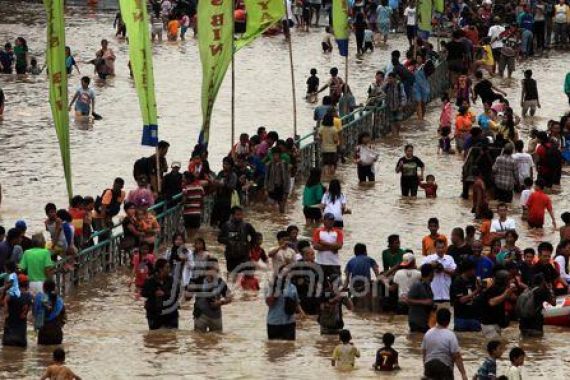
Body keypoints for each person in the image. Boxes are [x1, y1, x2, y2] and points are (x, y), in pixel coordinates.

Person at [422, 308, 469, 380]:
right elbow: (456, 356)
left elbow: (424, 353)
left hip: (429, 366)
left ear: (436, 319)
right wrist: (463, 374)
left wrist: (425, 368)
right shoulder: (450, 335)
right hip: (444, 367)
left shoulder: (428, 333)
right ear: (449, 321)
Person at [194, 257, 232, 332]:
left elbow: (230, 298)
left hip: (216, 316)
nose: (218, 269)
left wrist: (220, 302)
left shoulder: (220, 282)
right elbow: (187, 297)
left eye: (217, 267)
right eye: (216, 267)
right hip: (200, 315)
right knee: (199, 340)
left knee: (216, 340)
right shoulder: (199, 280)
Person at [265, 266, 303, 340]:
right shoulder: (270, 286)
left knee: (290, 348)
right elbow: (269, 304)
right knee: (273, 348)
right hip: (274, 322)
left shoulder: (293, 287)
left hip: (289, 323)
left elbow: (297, 303)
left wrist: (303, 315)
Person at [141, 258, 180, 330]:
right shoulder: (150, 280)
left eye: (169, 267)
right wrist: (154, 293)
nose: (169, 269)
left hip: (171, 313)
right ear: (160, 269)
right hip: (154, 313)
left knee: (172, 337)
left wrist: (164, 293)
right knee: (155, 337)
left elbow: (177, 293)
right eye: (167, 267)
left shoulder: (172, 280)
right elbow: (143, 293)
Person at [218, 206, 256, 277]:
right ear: (232, 215)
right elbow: (219, 238)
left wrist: (250, 246)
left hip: (244, 255)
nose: (240, 216)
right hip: (231, 256)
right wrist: (228, 241)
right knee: (232, 276)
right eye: (238, 215)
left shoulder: (247, 226)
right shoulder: (226, 225)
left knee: (247, 276)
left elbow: (255, 236)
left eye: (241, 214)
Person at [479, 270, 514, 339]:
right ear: (504, 281)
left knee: (498, 346)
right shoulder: (492, 289)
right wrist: (506, 294)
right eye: (508, 280)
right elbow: (492, 302)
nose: (510, 281)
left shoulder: (502, 289)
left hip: (496, 322)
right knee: (494, 345)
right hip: (488, 323)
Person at [424, 239, 456, 307]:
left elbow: (454, 272)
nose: (441, 250)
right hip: (432, 295)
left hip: (446, 295)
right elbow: (421, 270)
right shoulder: (429, 258)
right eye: (438, 248)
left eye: (442, 247)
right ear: (435, 248)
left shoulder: (449, 258)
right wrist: (431, 266)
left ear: (445, 247)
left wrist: (443, 269)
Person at [33, 279, 66, 345]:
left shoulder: (39, 298)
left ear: (43, 288)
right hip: (57, 333)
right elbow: (64, 319)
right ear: (54, 288)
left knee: (42, 354)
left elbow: (35, 314)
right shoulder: (60, 301)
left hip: (43, 333)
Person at [2, 274, 31, 347]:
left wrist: (5, 290)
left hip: (8, 337)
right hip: (21, 337)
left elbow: (2, 303)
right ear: (27, 285)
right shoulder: (28, 296)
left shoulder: (10, 295)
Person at [451, 260, 481, 332]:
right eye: (473, 270)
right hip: (461, 317)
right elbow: (461, 300)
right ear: (467, 270)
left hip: (474, 316)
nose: (474, 272)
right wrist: (476, 291)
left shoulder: (474, 279)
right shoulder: (457, 282)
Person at [313, 213, 344, 278]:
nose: (331, 222)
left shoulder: (338, 232)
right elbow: (315, 246)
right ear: (324, 221)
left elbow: (339, 246)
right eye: (329, 220)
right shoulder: (317, 231)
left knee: (336, 283)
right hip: (320, 262)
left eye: (332, 220)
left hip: (334, 263)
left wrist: (323, 243)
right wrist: (332, 247)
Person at [405, 263, 434, 333]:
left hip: (424, 320)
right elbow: (407, 300)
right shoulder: (417, 285)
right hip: (416, 321)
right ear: (430, 273)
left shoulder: (427, 285)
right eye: (433, 272)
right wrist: (424, 302)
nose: (434, 275)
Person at [265, 149, 291, 214]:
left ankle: (280, 221)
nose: (275, 156)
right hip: (272, 188)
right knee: (271, 209)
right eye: (274, 155)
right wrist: (265, 189)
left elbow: (287, 179)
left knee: (282, 209)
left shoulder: (284, 164)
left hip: (281, 188)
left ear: (280, 155)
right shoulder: (269, 165)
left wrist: (287, 191)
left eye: (277, 155)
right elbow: (266, 177)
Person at [318, 112, 339, 176]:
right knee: (332, 163)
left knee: (326, 164)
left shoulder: (321, 128)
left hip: (324, 148)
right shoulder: (334, 129)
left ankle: (326, 176)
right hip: (333, 149)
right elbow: (336, 140)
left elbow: (320, 138)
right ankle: (332, 176)